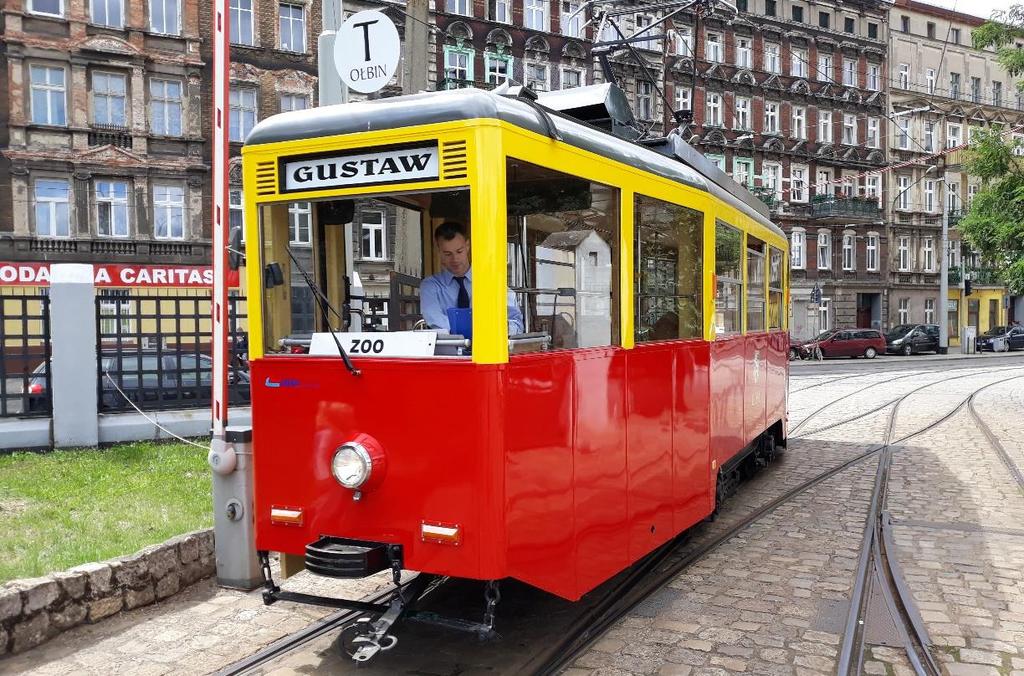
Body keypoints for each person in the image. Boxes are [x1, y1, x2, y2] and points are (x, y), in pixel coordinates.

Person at [420, 222, 524, 335]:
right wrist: (481, 327)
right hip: (449, 352)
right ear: (439, 251)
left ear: (468, 246)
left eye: (459, 251)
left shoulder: (491, 283)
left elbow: (517, 324)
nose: (455, 259)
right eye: (448, 254)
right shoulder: (430, 286)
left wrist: (502, 327)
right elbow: (436, 321)